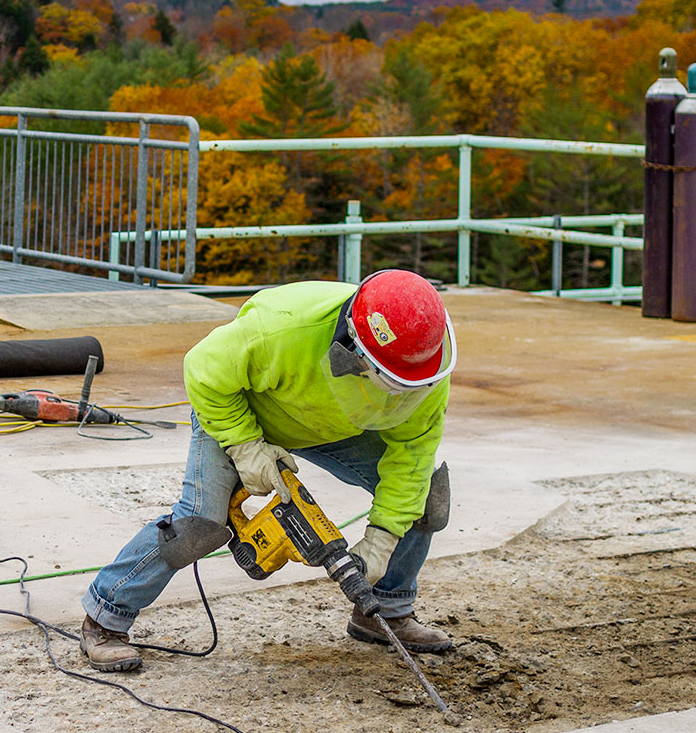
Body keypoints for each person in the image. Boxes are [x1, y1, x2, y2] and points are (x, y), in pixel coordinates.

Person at [79, 270, 455, 673]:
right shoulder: (283, 329)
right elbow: (204, 372)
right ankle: (105, 615)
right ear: (353, 348)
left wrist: (382, 540)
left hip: (337, 427)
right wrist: (245, 447)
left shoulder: (424, 371)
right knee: (199, 523)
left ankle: (386, 611)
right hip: (244, 412)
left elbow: (411, 459)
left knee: (426, 498)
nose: (404, 390)